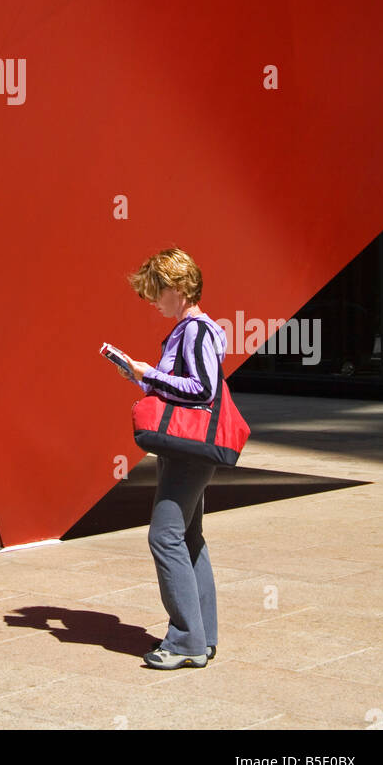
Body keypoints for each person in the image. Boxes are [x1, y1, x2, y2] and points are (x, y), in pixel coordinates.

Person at [115, 247, 228, 670]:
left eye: (156, 291)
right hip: (186, 448)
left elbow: (201, 389)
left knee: (164, 536)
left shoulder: (196, 329)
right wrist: (142, 377)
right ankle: (204, 636)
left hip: (188, 449)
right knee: (189, 537)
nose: (152, 300)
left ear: (177, 287)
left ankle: (185, 642)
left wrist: (148, 374)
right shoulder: (193, 328)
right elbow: (187, 386)